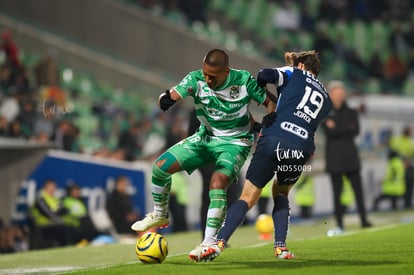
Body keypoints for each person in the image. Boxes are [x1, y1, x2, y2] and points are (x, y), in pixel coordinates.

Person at [130, 49, 276, 261]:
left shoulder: (243, 80)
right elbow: (171, 94)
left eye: (213, 76)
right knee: (160, 166)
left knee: (217, 183)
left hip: (235, 143)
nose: (207, 79)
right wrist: (165, 100)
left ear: (226, 72)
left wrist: (270, 118)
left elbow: (270, 102)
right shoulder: (195, 78)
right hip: (205, 138)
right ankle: (160, 214)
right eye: (205, 73)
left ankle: (208, 243)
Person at [198, 50, 332, 261]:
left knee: (248, 197)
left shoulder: (293, 72)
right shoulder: (326, 97)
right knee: (281, 193)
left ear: (302, 66)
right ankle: (281, 248)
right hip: (301, 147)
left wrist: (262, 95)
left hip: (274, 137)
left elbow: (263, 74)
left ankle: (218, 244)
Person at [322, 80, 372, 234]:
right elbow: (329, 132)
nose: (339, 96)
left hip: (351, 157)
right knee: (337, 194)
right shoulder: (324, 112)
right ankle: (339, 223)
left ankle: (364, 220)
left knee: (358, 191)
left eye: (341, 93)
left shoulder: (351, 112)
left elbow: (355, 131)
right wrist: (344, 128)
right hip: (334, 159)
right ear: (330, 95)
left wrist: (336, 127)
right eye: (336, 94)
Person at [29, 179, 71, 248]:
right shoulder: (40, 199)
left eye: (54, 187)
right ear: (45, 188)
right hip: (44, 226)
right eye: (50, 187)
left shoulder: (56, 199)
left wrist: (57, 212)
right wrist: (58, 212)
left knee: (69, 227)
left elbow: (66, 210)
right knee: (63, 230)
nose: (53, 189)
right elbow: (50, 214)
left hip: (56, 224)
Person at [388, 125, 414, 208]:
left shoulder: (411, 141)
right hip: (398, 167)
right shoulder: (397, 140)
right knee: (397, 186)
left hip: (408, 167)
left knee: (409, 186)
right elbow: (393, 151)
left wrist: (408, 161)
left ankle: (407, 204)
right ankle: (394, 205)